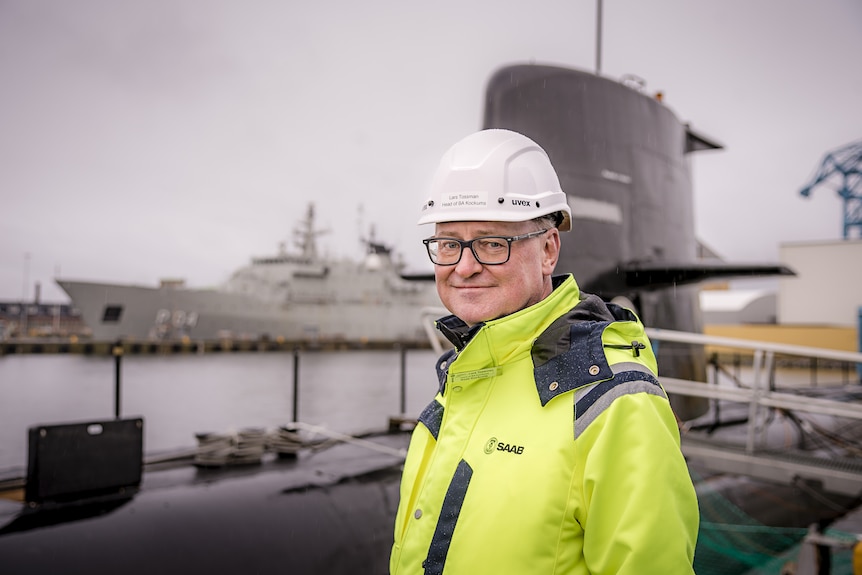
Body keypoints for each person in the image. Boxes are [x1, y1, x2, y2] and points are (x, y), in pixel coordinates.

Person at [389, 129, 699, 575]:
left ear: (548, 249)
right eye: (448, 243)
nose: (464, 266)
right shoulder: (460, 378)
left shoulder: (615, 403)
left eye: (493, 243)